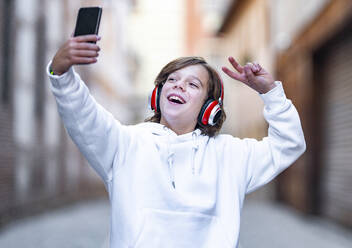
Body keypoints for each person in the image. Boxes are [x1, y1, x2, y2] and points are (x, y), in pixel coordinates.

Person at [47, 34, 306, 248]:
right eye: (171, 80)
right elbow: (81, 113)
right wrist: (60, 73)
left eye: (193, 84)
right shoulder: (124, 143)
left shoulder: (231, 155)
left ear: (209, 107)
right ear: (157, 94)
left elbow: (289, 144)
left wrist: (271, 93)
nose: (178, 86)